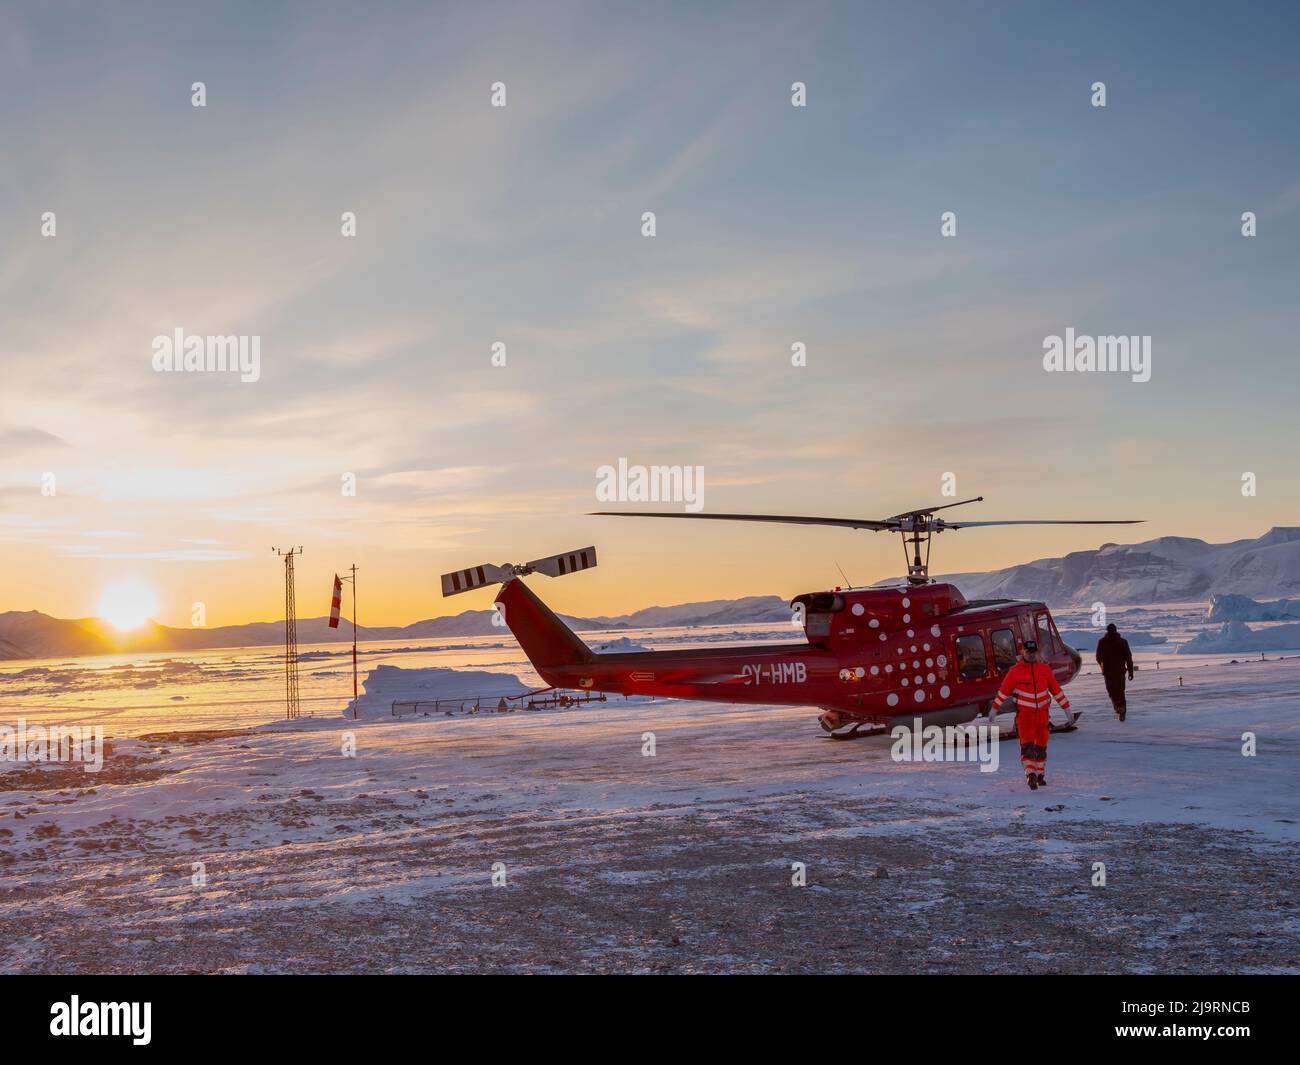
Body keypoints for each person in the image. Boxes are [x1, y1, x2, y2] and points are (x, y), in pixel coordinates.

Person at [990, 639, 1071, 790]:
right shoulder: (1015, 671)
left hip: (1042, 716)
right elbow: (1004, 690)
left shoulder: (1044, 669)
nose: (1031, 655)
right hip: (1025, 717)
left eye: (1034, 652)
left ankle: (1040, 775)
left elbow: (1056, 690)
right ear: (1022, 652)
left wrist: (1066, 708)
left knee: (1041, 747)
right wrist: (994, 708)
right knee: (1027, 746)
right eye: (1028, 652)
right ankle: (1030, 775)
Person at [1095, 623, 1135, 721]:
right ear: (1116, 630)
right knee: (1120, 691)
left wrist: (1102, 667)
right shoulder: (1122, 642)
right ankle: (1122, 710)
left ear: (1107, 631)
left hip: (1108, 672)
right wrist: (1130, 672)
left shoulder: (1102, 642)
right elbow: (1128, 658)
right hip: (1120, 671)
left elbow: (1098, 657)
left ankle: (1118, 708)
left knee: (1112, 691)